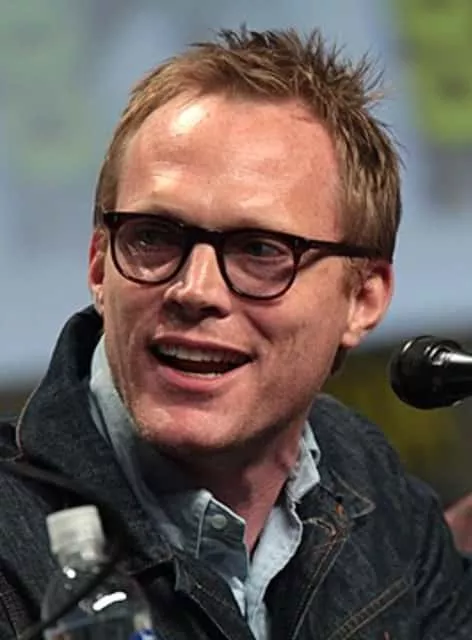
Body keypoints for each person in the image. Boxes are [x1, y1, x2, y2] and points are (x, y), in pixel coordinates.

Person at [1, 26, 471, 640]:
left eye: (260, 249)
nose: (194, 289)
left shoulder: (368, 479)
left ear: (363, 298)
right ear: (98, 266)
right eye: (153, 237)